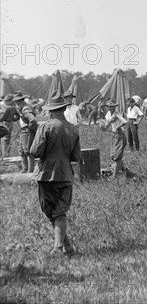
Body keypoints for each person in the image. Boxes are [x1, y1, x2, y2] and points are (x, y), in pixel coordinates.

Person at [30, 93, 81, 255]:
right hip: (66, 175)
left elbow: (35, 152)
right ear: (64, 108)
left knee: (51, 211)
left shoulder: (45, 127)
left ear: (51, 111)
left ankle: (58, 247)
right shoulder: (73, 129)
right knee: (60, 212)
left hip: (46, 175)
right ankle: (67, 245)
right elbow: (76, 157)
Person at [100, 99, 136, 179]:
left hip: (120, 135)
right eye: (110, 107)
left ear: (115, 107)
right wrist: (102, 126)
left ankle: (114, 176)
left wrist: (118, 126)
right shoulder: (108, 114)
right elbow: (105, 128)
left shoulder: (116, 114)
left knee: (117, 157)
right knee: (113, 156)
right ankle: (128, 172)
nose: (111, 109)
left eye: (113, 107)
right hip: (114, 135)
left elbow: (124, 121)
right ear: (108, 107)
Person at [13, 92, 38, 173]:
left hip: (27, 131)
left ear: (21, 100)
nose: (16, 102)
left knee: (28, 151)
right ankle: (25, 168)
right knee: (22, 151)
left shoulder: (25, 109)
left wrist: (30, 127)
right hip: (23, 131)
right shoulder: (22, 108)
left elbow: (32, 119)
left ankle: (30, 170)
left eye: (18, 100)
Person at [0, 94, 20, 160]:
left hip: (5, 123)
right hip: (11, 123)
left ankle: (4, 154)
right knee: (8, 138)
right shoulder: (13, 108)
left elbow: (3, 117)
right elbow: (18, 116)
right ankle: (7, 153)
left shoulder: (8, 108)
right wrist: (13, 119)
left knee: (4, 139)